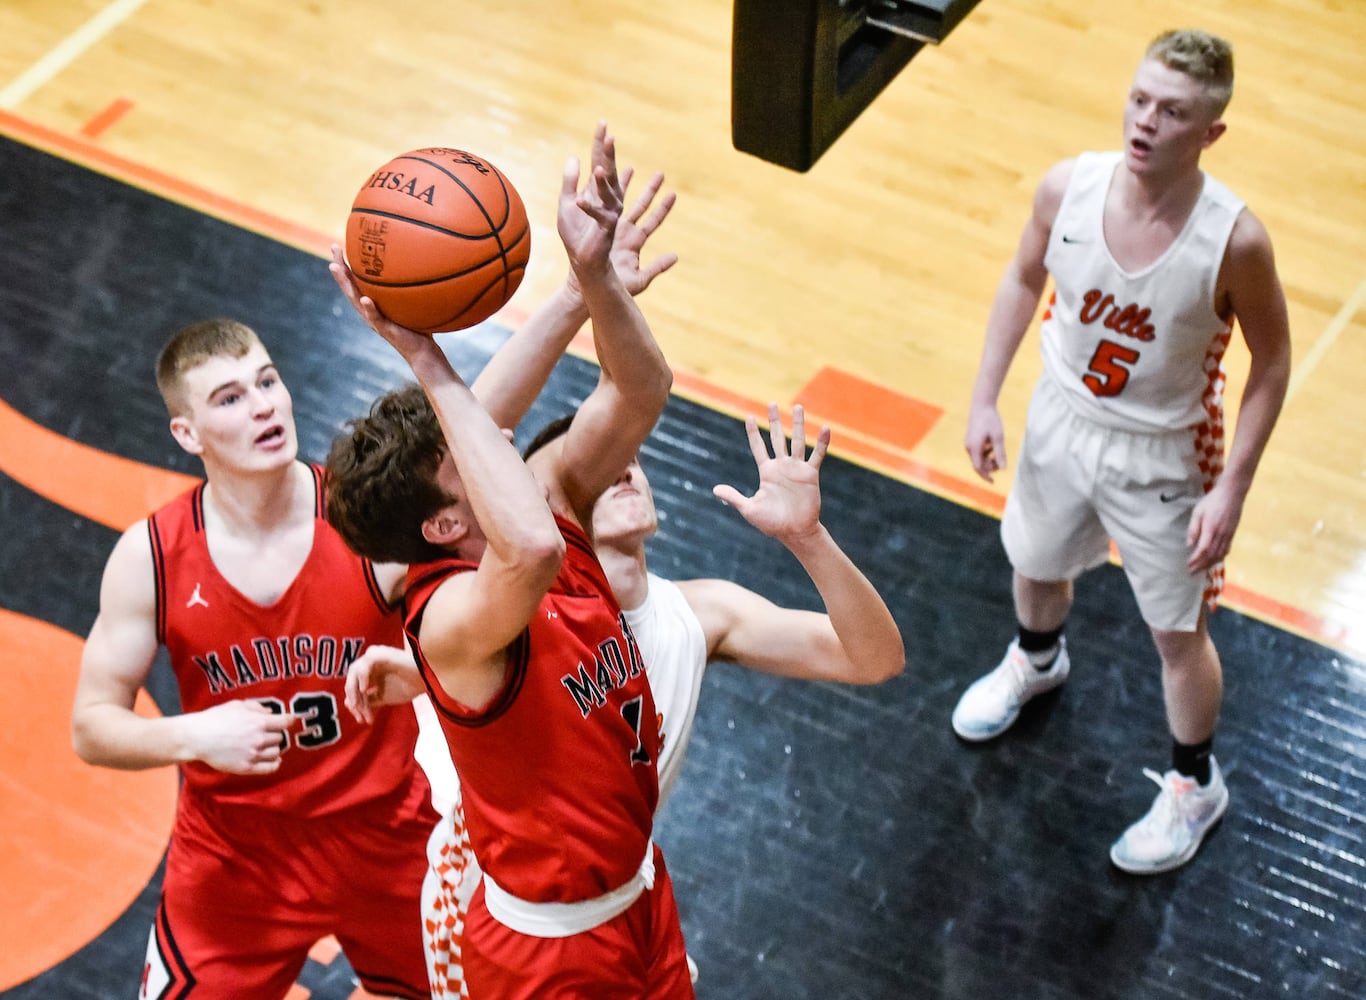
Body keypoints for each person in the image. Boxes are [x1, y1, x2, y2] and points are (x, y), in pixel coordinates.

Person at [350, 403, 906, 994]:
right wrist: (422, 669)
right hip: (510, 904)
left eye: (633, 461)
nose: (624, 471)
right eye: (606, 464)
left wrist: (808, 538)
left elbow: (875, 659)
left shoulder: (699, 613)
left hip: (627, 892)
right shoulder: (506, 611)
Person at [324, 122, 693, 998]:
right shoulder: (450, 618)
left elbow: (642, 389)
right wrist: (425, 358)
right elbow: (522, 552)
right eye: (469, 446)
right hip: (548, 948)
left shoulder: (547, 502)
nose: (496, 435)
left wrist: (592, 283)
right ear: (448, 526)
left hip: (641, 892)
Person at [952, 28, 1291, 874]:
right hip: (1061, 420)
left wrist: (1233, 490)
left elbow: (1273, 361)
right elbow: (1023, 277)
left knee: (1178, 632)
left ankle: (1194, 786)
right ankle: (1037, 660)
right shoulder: (1068, 186)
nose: (1144, 122)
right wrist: (986, 394)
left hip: (1166, 454)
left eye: (1172, 111)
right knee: (1033, 561)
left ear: (1210, 133)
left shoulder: (1235, 241)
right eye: (1139, 99)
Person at [70, 318, 438, 998]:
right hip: (235, 854)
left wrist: (428, 669)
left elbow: (494, 626)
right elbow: (91, 726)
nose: (265, 404)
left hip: (386, 834)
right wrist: (195, 735)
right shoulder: (151, 558)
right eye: (231, 398)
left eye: (268, 381)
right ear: (188, 434)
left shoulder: (369, 519)